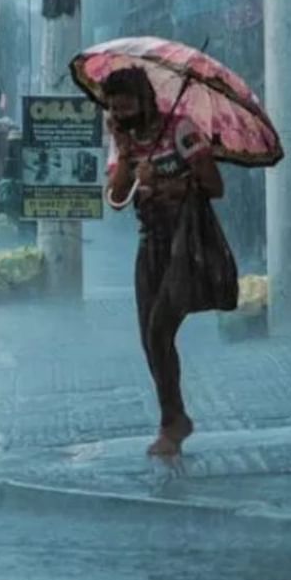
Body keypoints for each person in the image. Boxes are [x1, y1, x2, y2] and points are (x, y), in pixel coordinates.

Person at [103, 66, 225, 457]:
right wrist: (124, 153)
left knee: (159, 331)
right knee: (150, 339)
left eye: (127, 107)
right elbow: (117, 197)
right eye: (114, 109)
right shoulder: (125, 139)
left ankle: (172, 423)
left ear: (144, 100)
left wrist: (164, 182)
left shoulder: (180, 131)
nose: (121, 115)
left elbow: (213, 185)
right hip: (150, 242)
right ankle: (174, 416)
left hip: (185, 242)